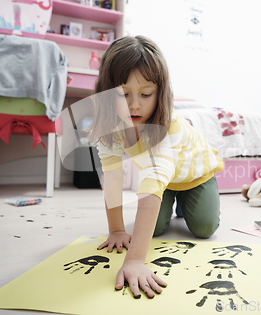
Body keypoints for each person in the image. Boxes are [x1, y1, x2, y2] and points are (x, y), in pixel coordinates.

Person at [89, 35, 223, 299]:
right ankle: (174, 197)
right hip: (165, 180)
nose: (134, 104)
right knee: (158, 229)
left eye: (145, 94)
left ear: (160, 93)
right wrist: (116, 230)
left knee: (205, 229)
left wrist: (135, 260)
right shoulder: (110, 128)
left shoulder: (167, 126)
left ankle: (186, 201)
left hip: (196, 174)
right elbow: (113, 178)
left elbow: (150, 187)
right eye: (123, 94)